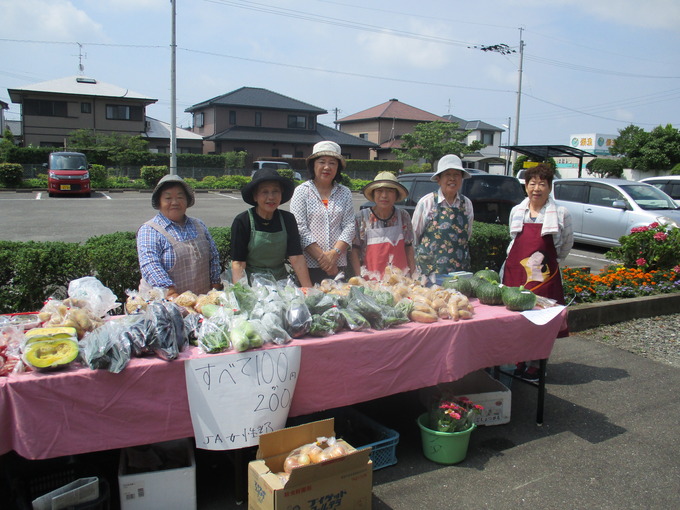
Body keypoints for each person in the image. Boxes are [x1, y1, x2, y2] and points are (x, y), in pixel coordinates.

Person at [502, 162, 573, 381]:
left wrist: (551, 262)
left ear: (550, 187)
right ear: (525, 187)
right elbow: (514, 241)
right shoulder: (517, 211)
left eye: (542, 184)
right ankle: (519, 359)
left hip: (544, 276)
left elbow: (566, 244)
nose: (536, 188)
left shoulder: (560, 213)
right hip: (517, 274)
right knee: (518, 319)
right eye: (532, 183)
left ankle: (537, 363)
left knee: (541, 321)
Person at [137, 174, 222, 298]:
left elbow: (213, 256)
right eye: (168, 198)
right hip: (166, 305)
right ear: (159, 202)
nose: (175, 202)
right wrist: (172, 294)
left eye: (180, 197)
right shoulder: (149, 230)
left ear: (187, 201)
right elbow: (150, 265)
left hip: (202, 303)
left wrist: (215, 289)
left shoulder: (199, 225)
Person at [230, 168, 312, 287]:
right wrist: (243, 295)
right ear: (255, 196)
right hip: (251, 283)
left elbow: (296, 257)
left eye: (275, 191)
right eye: (265, 192)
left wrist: (308, 289)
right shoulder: (243, 221)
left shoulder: (288, 219)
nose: (271, 197)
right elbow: (238, 263)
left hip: (280, 282)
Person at [290, 141, 355, 285]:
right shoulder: (302, 191)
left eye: (332, 163)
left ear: (338, 168)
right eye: (322, 162)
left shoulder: (345, 192)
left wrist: (334, 254)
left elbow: (349, 226)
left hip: (337, 265)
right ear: (313, 165)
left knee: (337, 305)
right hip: (308, 266)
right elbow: (300, 228)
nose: (327, 167)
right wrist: (325, 260)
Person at [411, 154, 474, 277]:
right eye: (447, 175)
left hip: (459, 271)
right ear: (439, 180)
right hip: (429, 272)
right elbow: (414, 236)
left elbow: (468, 234)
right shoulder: (427, 202)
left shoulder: (466, 203)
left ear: (461, 179)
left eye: (456, 175)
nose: (452, 179)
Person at [349, 171, 416, 278]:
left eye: (389, 191)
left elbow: (409, 247)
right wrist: (359, 277)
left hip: (400, 282)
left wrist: (413, 275)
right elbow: (355, 250)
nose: (384, 196)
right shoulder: (361, 217)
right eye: (379, 191)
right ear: (373, 194)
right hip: (371, 282)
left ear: (396, 195)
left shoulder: (403, 216)